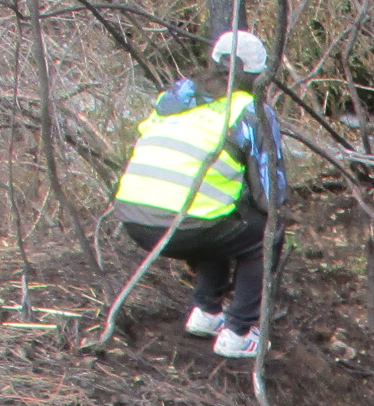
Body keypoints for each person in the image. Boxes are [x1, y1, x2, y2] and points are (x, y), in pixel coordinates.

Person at [111, 30, 288, 361]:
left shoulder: (175, 96)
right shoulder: (251, 110)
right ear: (258, 76)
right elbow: (270, 197)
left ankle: (206, 312)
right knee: (264, 230)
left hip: (133, 217)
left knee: (218, 214)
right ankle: (239, 332)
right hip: (182, 225)